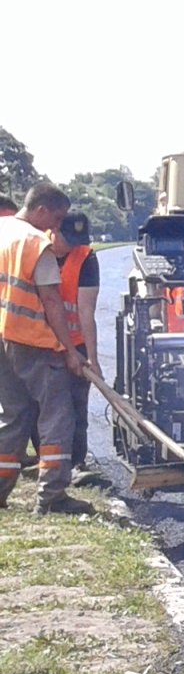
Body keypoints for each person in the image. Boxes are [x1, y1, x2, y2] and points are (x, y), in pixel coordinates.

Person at [0, 182, 89, 514]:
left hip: (2, 337)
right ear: (40, 210)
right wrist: (69, 350)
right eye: (56, 217)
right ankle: (51, 497)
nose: (57, 226)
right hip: (33, 340)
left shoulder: (3, 230)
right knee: (57, 416)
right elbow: (51, 301)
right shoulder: (37, 243)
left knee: (14, 416)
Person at [49, 213, 98, 483]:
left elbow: (86, 310)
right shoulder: (36, 249)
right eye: (68, 239)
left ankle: (77, 462)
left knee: (77, 405)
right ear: (54, 229)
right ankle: (50, 463)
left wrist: (90, 357)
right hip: (41, 342)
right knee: (46, 407)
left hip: (76, 341)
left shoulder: (86, 257)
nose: (72, 246)